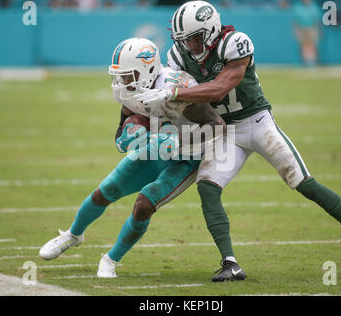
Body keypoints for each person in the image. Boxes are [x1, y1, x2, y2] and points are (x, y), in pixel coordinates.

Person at [135, 0, 341, 278]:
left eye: (194, 39)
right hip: (226, 129)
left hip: (257, 122)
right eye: (184, 40)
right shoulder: (179, 55)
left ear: (209, 31)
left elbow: (220, 88)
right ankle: (230, 263)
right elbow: (184, 97)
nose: (189, 46)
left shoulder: (235, 42)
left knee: (302, 182)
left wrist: (174, 94)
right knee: (207, 186)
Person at [39, 38, 226, 278]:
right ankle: (73, 235)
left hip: (187, 158)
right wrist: (129, 135)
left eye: (128, 76)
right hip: (155, 148)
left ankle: (110, 259)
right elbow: (122, 129)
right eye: (119, 76)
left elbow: (216, 125)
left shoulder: (176, 87)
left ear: (148, 70)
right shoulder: (130, 92)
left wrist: (178, 142)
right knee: (106, 189)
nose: (121, 82)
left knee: (143, 205)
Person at [292, 0, 322, 65]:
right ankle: (304, 63)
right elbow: (295, 22)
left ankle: (315, 63)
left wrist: (318, 32)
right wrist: (296, 32)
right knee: (303, 48)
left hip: (312, 30)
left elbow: (317, 22)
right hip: (301, 30)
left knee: (313, 48)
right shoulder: (297, 8)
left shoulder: (314, 7)